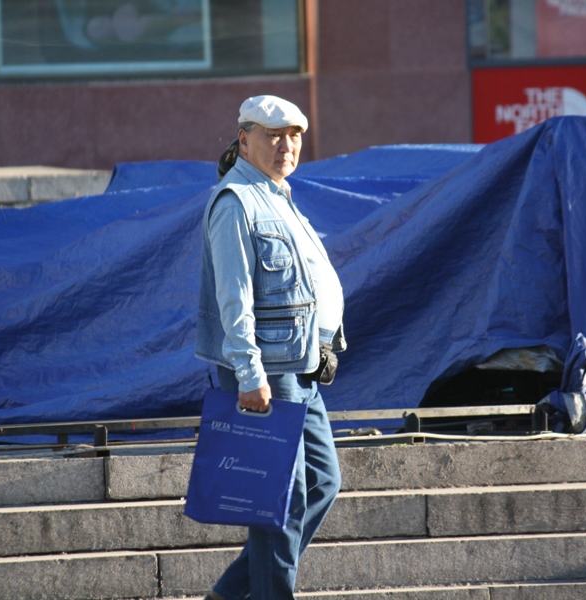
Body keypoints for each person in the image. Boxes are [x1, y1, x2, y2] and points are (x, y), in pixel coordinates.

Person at [195, 95, 346, 600]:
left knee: (323, 482)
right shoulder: (236, 200)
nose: (287, 145)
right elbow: (232, 299)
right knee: (282, 499)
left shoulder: (277, 193)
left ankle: (229, 595)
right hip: (270, 372)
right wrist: (249, 373)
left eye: (295, 136)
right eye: (273, 135)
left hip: (302, 367)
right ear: (244, 138)